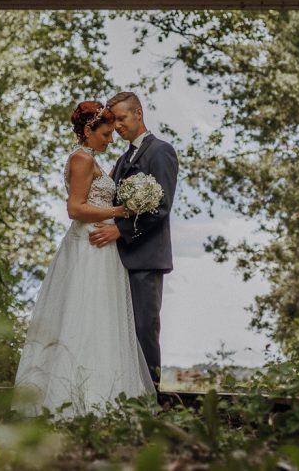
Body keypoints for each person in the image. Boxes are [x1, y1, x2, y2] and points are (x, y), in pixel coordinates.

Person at [12, 101, 155, 418]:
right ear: (88, 131)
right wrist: (121, 211)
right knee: (81, 316)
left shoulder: (93, 159)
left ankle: (103, 395)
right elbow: (75, 209)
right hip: (87, 246)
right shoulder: (81, 158)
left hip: (101, 249)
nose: (110, 139)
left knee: (101, 320)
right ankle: (72, 400)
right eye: (105, 134)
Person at [89, 91, 178, 388]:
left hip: (146, 258)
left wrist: (120, 231)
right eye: (114, 122)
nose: (117, 127)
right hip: (118, 259)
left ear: (139, 114)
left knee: (143, 328)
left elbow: (161, 208)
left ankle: (151, 397)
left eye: (122, 119)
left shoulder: (161, 151)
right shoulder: (122, 158)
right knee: (120, 331)